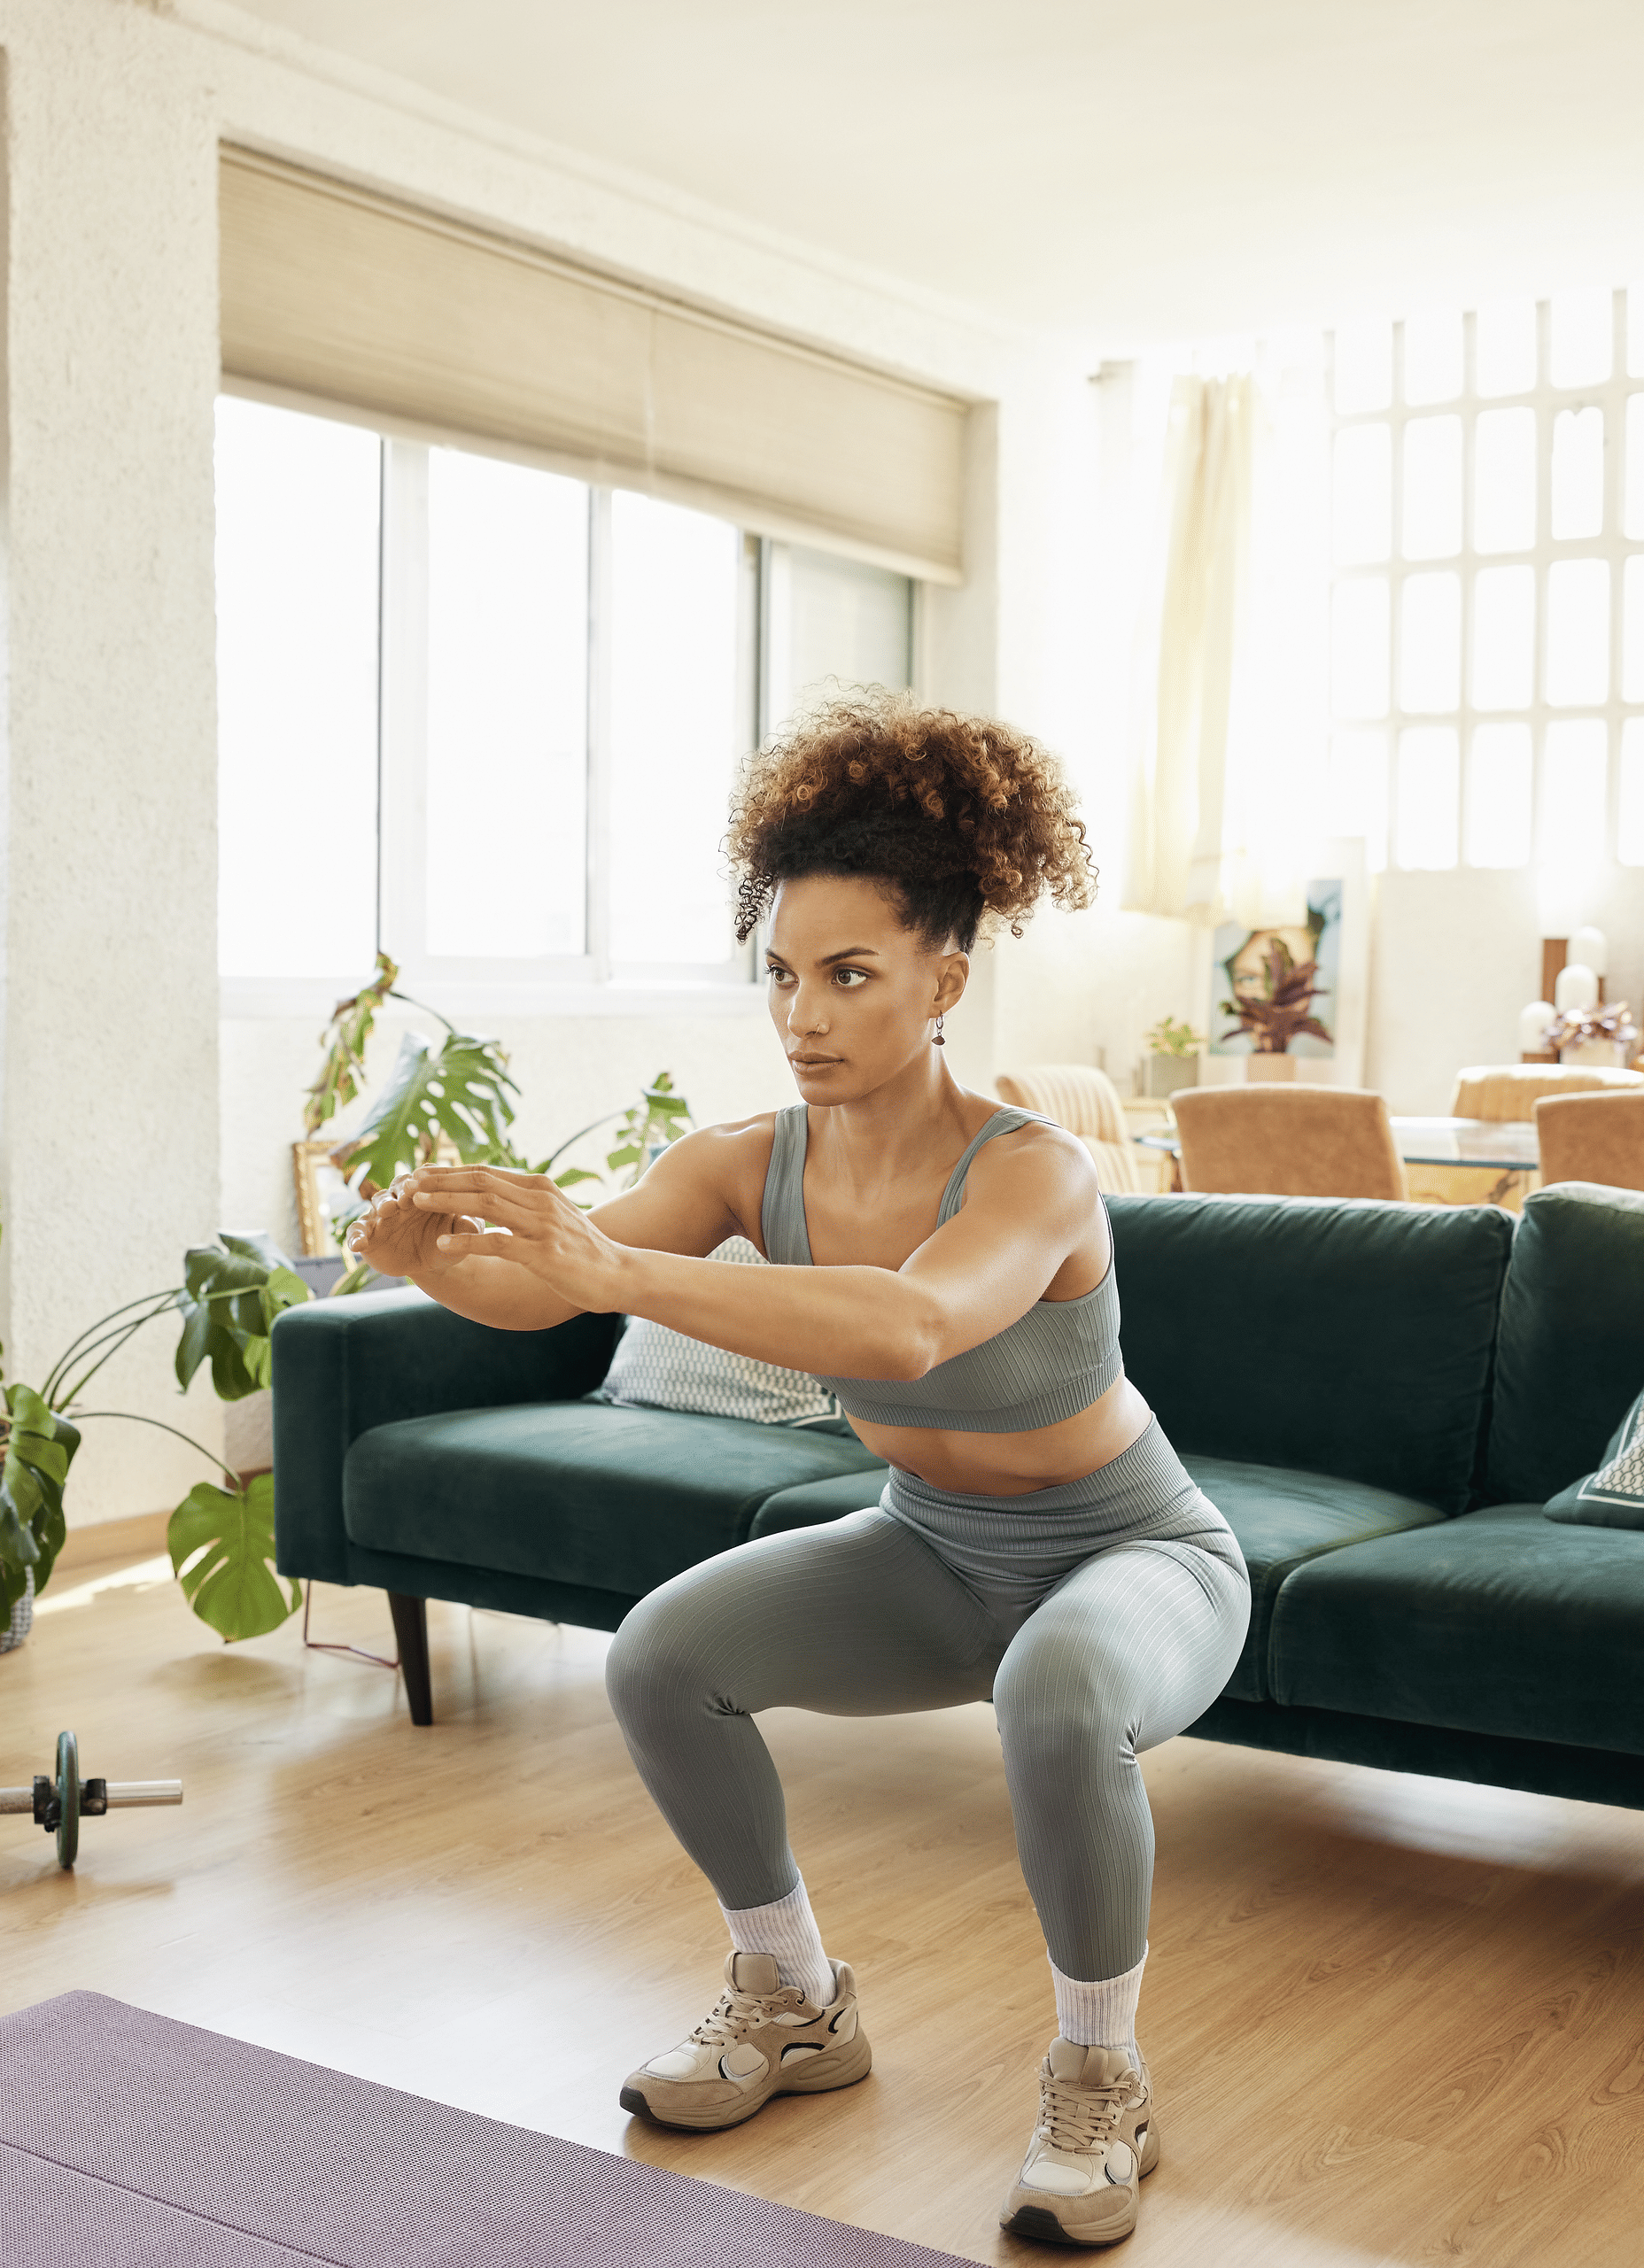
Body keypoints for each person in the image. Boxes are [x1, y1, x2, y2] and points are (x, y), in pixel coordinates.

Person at [347, 693, 1248, 2249]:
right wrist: (430, 1260)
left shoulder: (1034, 1169)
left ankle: (1102, 2080)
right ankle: (794, 1996)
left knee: (1061, 1698)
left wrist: (608, 1273)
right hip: (927, 1550)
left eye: (849, 975)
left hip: (1132, 1556)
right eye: (781, 973)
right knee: (664, 1659)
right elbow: (557, 1280)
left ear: (944, 980)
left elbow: (907, 1328)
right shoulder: (745, 1160)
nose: (804, 1013)